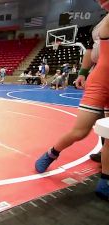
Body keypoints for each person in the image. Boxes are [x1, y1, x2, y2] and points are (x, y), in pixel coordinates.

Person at [35, 0, 109, 200]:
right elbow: (90, 51)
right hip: (101, 80)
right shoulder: (104, 24)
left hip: (102, 76)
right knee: (80, 131)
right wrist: (83, 72)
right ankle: (51, 153)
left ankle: (105, 181)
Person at [74, 16, 108, 163]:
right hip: (100, 71)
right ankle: (105, 153)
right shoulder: (98, 23)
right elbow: (90, 48)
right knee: (104, 119)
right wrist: (83, 73)